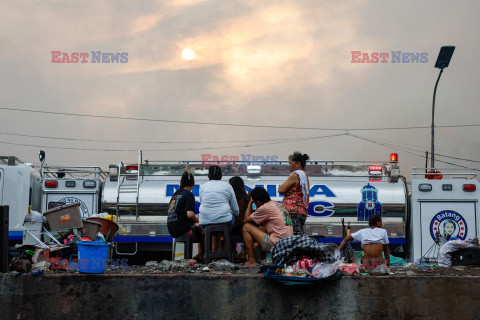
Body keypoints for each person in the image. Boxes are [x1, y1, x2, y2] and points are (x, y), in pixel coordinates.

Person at [242, 187, 294, 266]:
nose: (255, 205)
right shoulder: (277, 204)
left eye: (255, 203)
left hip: (278, 245)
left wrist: (250, 203)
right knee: (261, 229)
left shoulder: (265, 208)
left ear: (258, 202)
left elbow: (246, 219)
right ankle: (263, 259)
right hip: (287, 243)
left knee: (246, 227)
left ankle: (251, 261)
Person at [199, 166, 239, 252]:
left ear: (208, 175)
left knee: (214, 227)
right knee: (228, 217)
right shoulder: (227, 186)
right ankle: (223, 251)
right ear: (221, 175)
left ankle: (214, 255)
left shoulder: (203, 187)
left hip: (204, 223)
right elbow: (235, 210)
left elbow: (203, 202)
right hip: (225, 222)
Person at [167, 171, 203, 261]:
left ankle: (200, 254)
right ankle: (201, 255)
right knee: (204, 230)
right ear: (193, 183)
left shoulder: (176, 195)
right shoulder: (189, 194)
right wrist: (197, 220)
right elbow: (190, 215)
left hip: (172, 230)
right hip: (183, 229)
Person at [278, 152, 310, 235]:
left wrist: (286, 190)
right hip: (300, 211)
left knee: (294, 237)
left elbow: (281, 189)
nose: (289, 165)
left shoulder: (295, 175)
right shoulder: (304, 175)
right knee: (297, 236)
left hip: (292, 211)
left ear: (298, 163)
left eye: (290, 163)